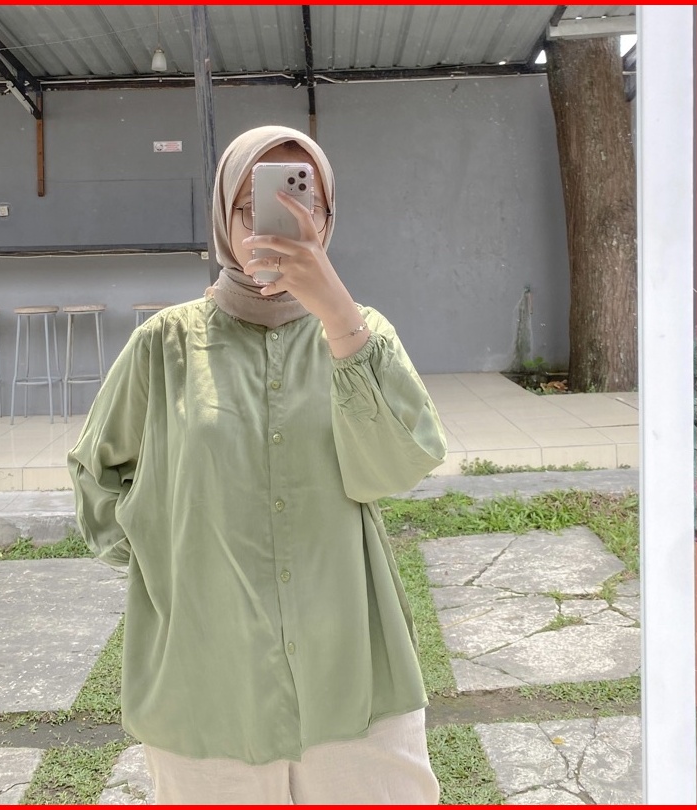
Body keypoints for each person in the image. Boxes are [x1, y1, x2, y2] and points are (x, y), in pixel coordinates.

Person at [68, 125, 448, 804]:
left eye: (305, 203)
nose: (280, 222)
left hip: (352, 673)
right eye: (256, 205)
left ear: (328, 219)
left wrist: (338, 317)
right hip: (205, 682)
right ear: (224, 217)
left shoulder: (365, 336)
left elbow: (395, 467)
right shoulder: (164, 345)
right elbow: (96, 473)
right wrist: (170, 563)